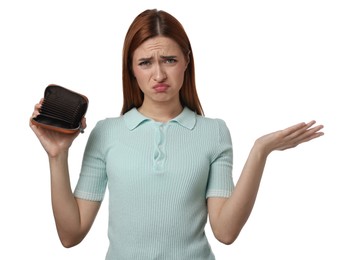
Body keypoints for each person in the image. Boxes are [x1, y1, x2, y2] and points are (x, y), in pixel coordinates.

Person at [29, 9, 324, 260]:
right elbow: (71, 234)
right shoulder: (107, 133)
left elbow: (225, 231)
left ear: (186, 61)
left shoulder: (214, 132)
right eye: (145, 63)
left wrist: (261, 150)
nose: (158, 75)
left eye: (169, 60)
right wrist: (57, 156)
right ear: (131, 69)